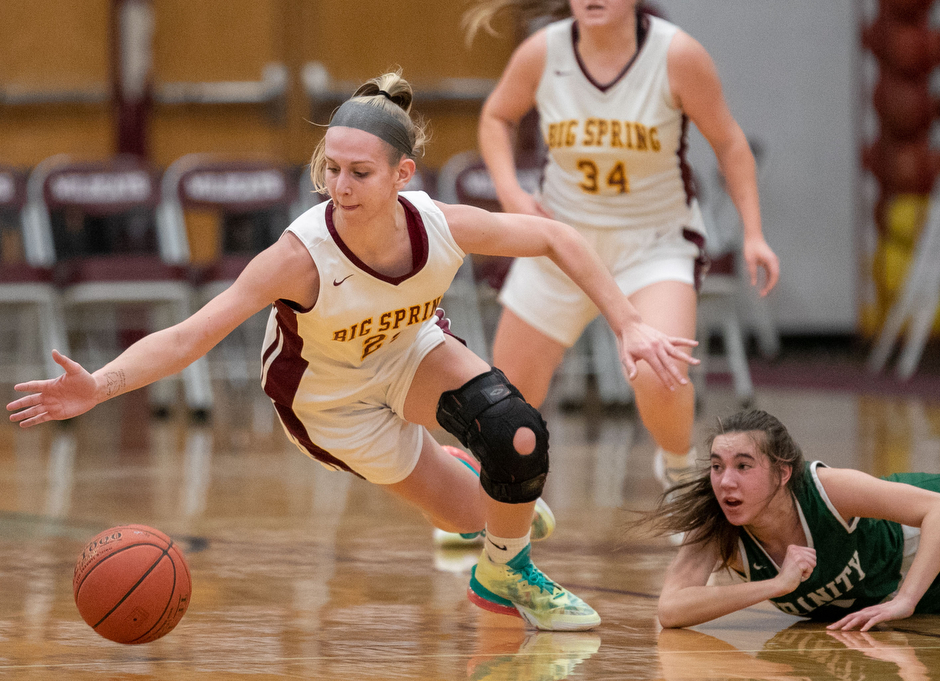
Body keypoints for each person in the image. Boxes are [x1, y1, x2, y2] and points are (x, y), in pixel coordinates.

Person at [7, 71, 700, 633]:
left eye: (359, 173)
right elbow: (192, 335)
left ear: (403, 173)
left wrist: (629, 323)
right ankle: (476, 499)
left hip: (407, 352)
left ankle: (502, 576)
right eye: (331, 169)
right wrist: (99, 384)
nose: (340, 187)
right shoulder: (299, 258)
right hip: (330, 403)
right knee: (480, 513)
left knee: (517, 436)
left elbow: (558, 239)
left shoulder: (440, 225)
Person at [465, 0, 780, 490]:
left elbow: (729, 143)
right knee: (504, 397)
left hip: (653, 243)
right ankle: (494, 500)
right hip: (559, 242)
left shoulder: (676, 54)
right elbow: (496, 116)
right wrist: (513, 195)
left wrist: (753, 233)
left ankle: (679, 467)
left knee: (660, 377)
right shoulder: (544, 51)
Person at [647, 409, 940, 631]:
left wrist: (905, 600)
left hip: (919, 531)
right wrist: (774, 586)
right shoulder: (717, 524)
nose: (725, 481)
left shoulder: (824, 488)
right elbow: (671, 608)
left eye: (743, 466)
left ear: (782, 473)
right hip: (890, 592)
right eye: (716, 466)